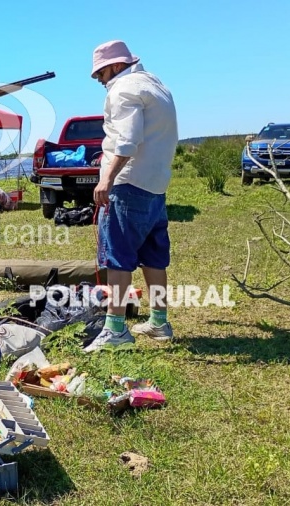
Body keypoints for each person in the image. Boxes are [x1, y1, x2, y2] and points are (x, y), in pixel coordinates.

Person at [83, 40, 178, 352]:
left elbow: (128, 140)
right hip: (156, 184)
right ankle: (160, 321)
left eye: (99, 72)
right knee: (153, 256)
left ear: (114, 65)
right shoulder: (156, 85)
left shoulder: (123, 89)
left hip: (128, 184)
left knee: (118, 259)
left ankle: (116, 329)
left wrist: (107, 179)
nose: (98, 79)